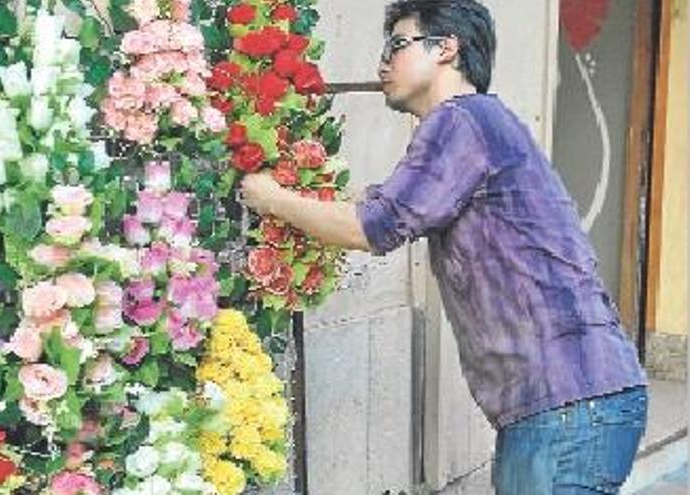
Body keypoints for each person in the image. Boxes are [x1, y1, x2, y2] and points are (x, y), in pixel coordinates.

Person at [240, 1, 648, 493]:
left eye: (398, 44)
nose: (382, 63)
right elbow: (388, 204)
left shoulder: (460, 120)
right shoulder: (477, 126)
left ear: (446, 48)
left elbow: (375, 226)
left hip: (567, 405)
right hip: (567, 404)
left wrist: (272, 198)